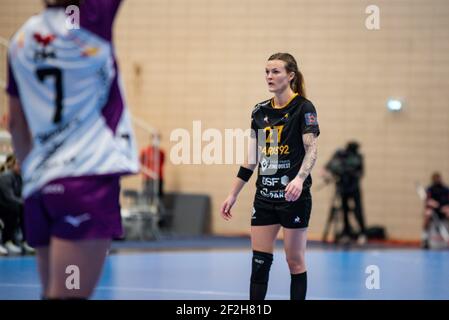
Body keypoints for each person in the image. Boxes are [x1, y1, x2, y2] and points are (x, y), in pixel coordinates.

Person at [6, 0, 138, 298]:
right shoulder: (91, 18)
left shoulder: (21, 39)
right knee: (70, 294)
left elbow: (15, 123)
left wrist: (32, 174)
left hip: (40, 184)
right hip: (85, 180)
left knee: (54, 291)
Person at [221, 53, 320, 300]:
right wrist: (233, 193)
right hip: (265, 197)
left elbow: (312, 148)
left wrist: (299, 179)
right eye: (267, 71)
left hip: (293, 198)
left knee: (294, 261)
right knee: (259, 263)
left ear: (291, 76)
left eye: (275, 71)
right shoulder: (259, 111)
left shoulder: (303, 108)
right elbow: (251, 159)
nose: (269, 76)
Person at [324, 142, 366, 244]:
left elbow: (360, 173)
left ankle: (362, 233)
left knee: (358, 211)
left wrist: (350, 173)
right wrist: (331, 175)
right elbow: (328, 167)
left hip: (353, 187)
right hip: (342, 187)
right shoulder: (339, 155)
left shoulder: (358, 157)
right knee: (345, 210)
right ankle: (346, 233)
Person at [0, 155, 34, 254]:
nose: (21, 167)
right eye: (19, 164)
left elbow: (23, 193)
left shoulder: (20, 177)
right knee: (14, 209)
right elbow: (8, 197)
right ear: (13, 164)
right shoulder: (6, 176)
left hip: (12, 205)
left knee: (27, 210)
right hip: (4, 205)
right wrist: (23, 202)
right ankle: (7, 241)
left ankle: (25, 240)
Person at [422, 173, 449, 249]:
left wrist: (446, 207)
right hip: (433, 210)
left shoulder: (446, 189)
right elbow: (427, 201)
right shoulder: (429, 189)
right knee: (427, 214)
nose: (438, 180)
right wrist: (431, 203)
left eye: (439, 178)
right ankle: (425, 238)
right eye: (436, 179)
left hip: (443, 209)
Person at [139, 132, 165, 201]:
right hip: (148, 178)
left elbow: (161, 164)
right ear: (152, 139)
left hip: (158, 178)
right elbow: (140, 164)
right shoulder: (145, 151)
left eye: (158, 139)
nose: (157, 141)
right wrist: (148, 172)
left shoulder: (161, 152)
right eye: (155, 139)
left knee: (158, 198)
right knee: (148, 197)